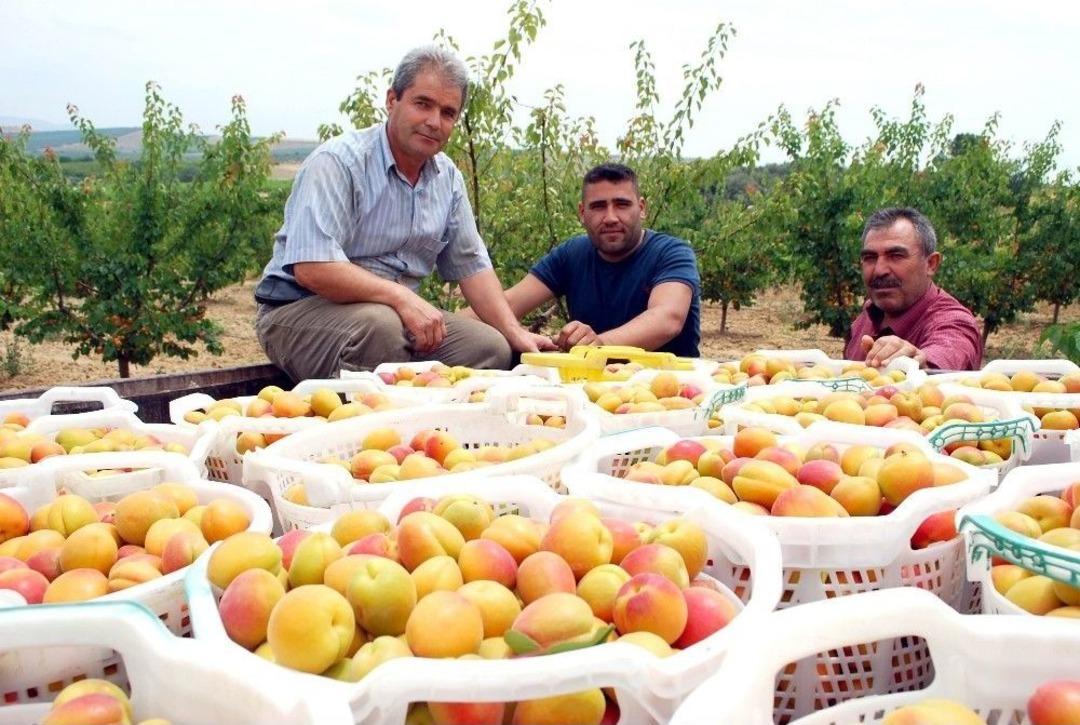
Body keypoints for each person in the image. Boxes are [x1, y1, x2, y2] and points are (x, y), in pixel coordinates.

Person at [253, 45, 555, 381]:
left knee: (489, 348)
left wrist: (515, 334)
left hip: (389, 317)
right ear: (392, 100)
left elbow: (472, 267)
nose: (433, 122)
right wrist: (399, 297)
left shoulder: (447, 178)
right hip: (299, 309)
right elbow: (313, 268)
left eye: (447, 112)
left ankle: (430, 425)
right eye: (423, 104)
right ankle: (364, 422)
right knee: (380, 329)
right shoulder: (339, 162)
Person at [488, 163, 701, 357]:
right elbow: (506, 305)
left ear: (642, 208)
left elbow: (667, 318)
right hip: (588, 386)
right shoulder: (571, 254)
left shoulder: (672, 253)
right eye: (598, 206)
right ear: (582, 212)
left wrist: (598, 344)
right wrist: (455, 322)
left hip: (666, 390)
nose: (610, 218)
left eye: (622, 205)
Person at [844, 207, 982, 370]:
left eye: (896, 256)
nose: (879, 270)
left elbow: (949, 353)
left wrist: (919, 362)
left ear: (931, 264)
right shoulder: (865, 318)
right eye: (870, 257)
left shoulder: (955, 322)